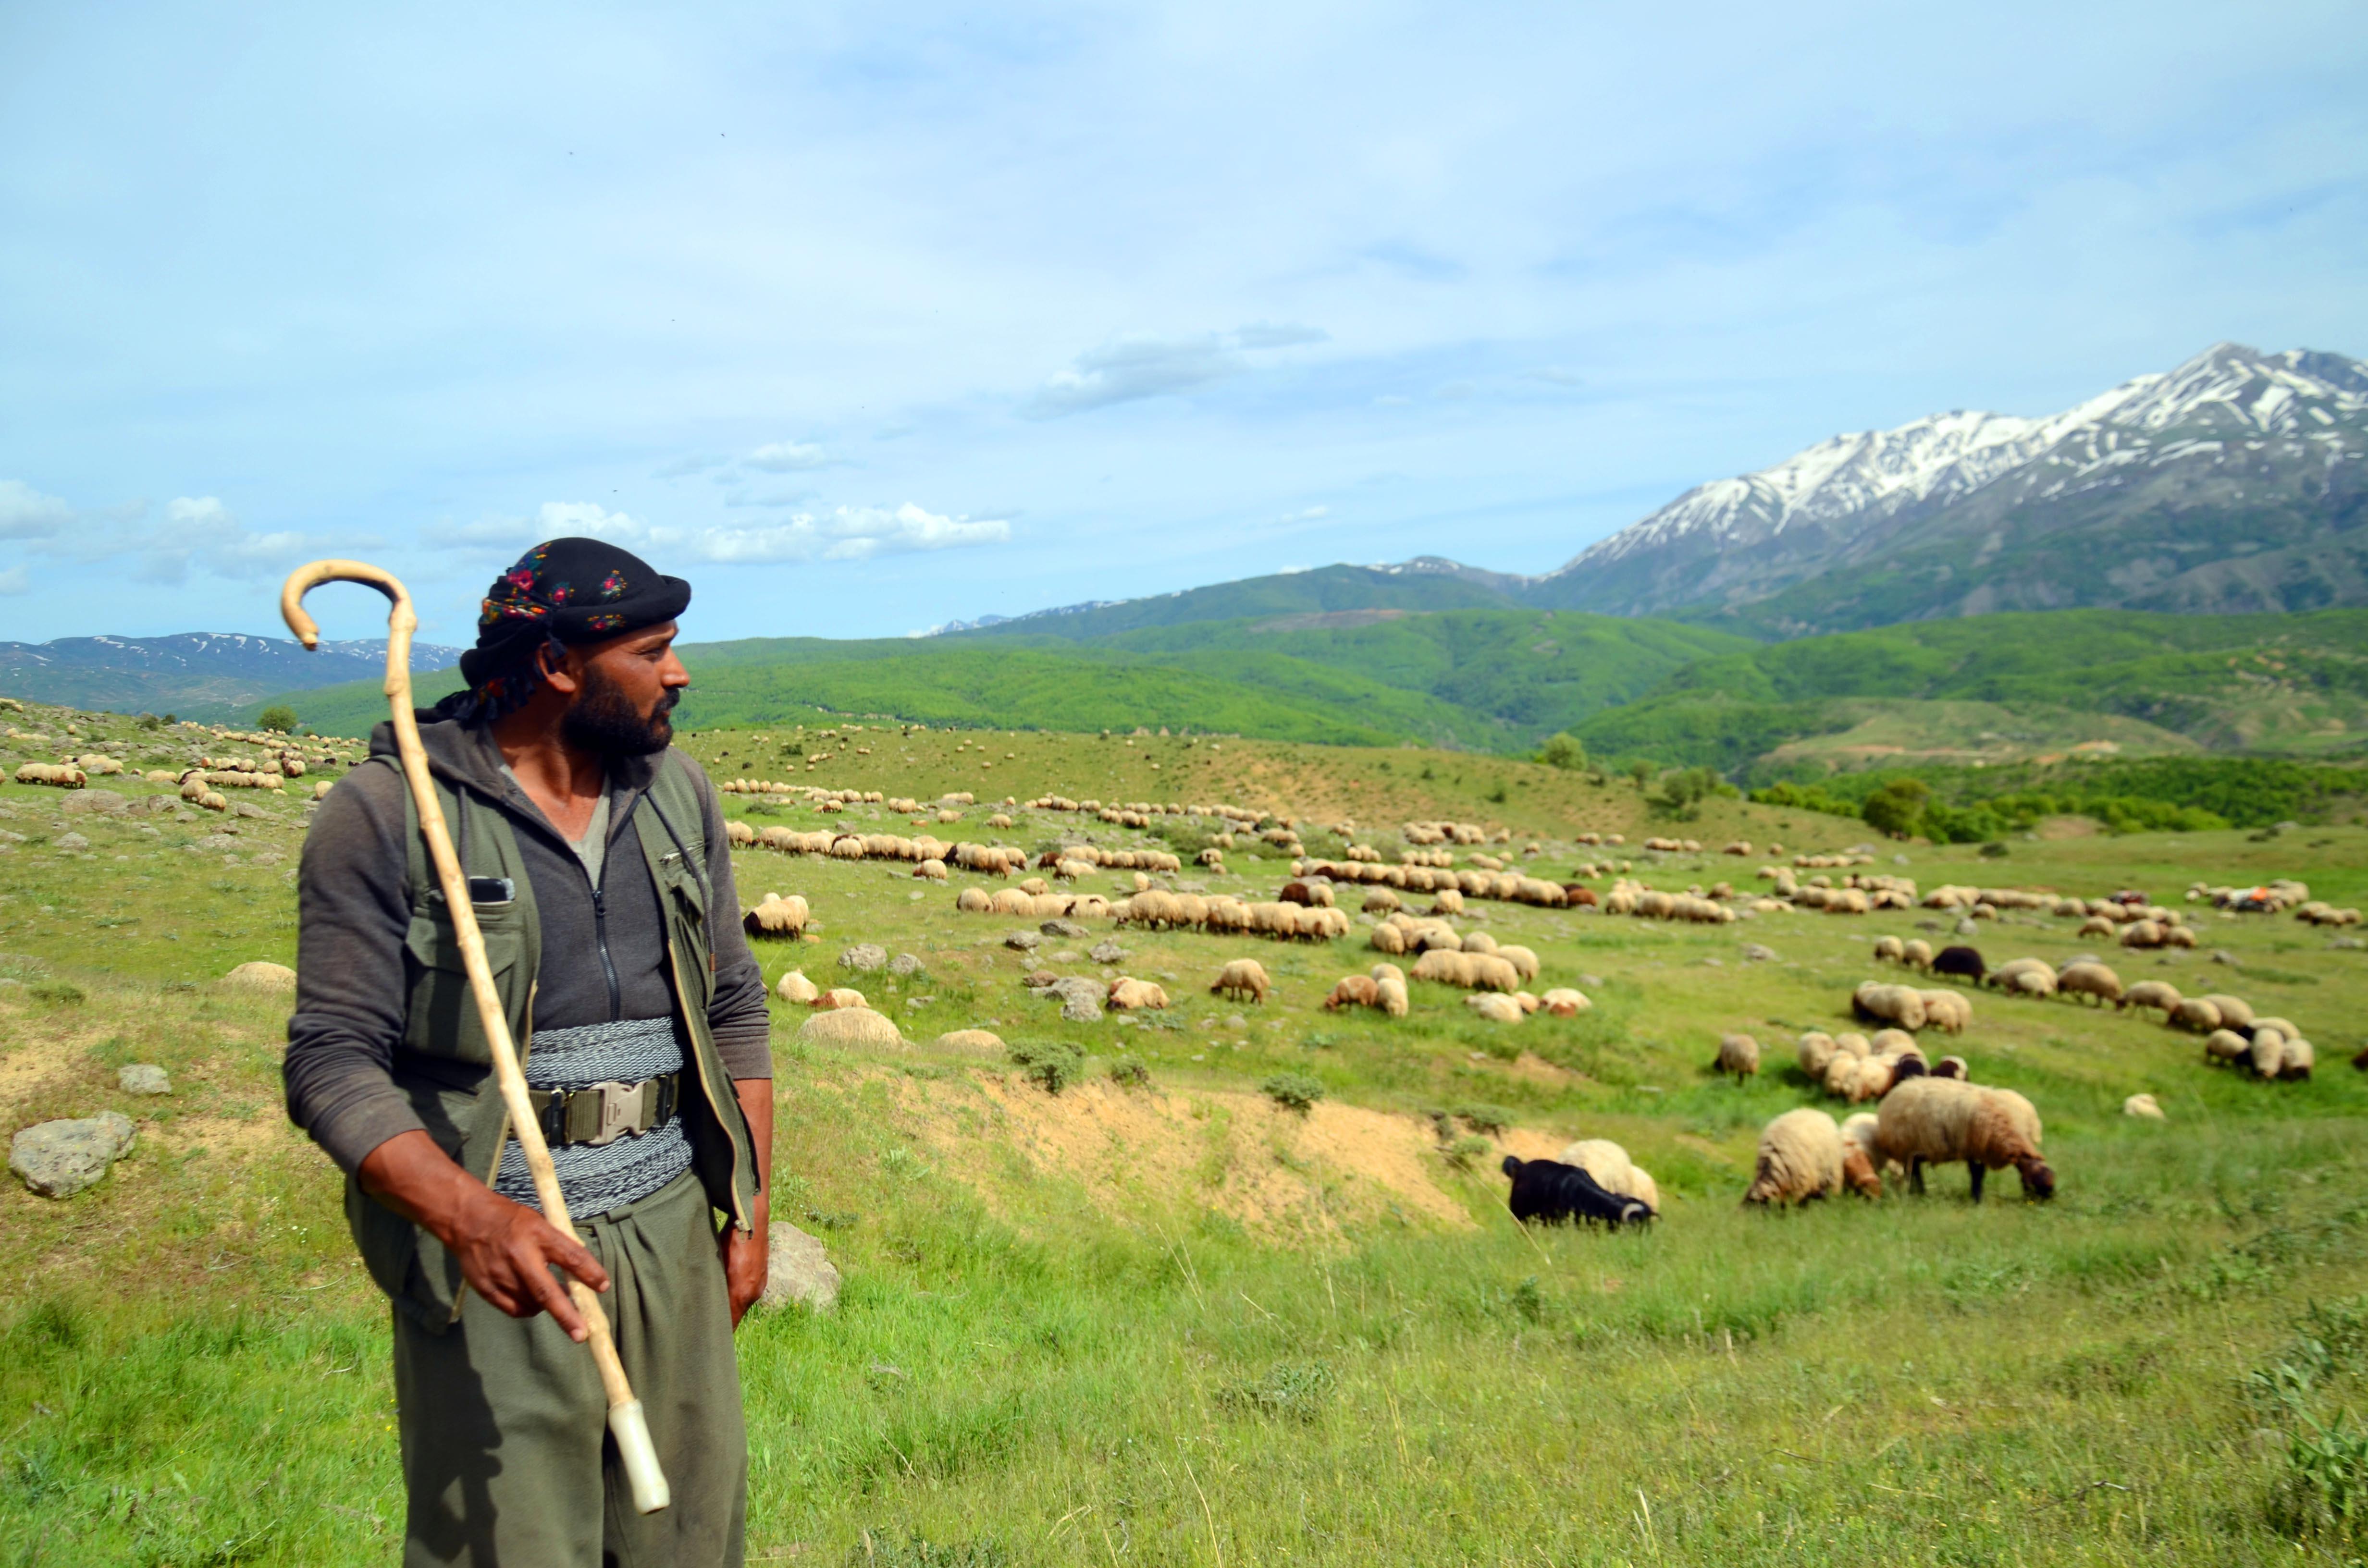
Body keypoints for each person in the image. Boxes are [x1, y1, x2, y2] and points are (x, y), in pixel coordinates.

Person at [285, 537, 773, 1567]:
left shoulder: (678, 795)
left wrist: (751, 1213)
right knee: (510, 1548)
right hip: (499, 1260)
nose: (678, 673)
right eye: (653, 651)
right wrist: (472, 1218)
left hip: (671, 1228)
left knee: (687, 1540)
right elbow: (330, 1060)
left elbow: (734, 1005)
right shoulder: (385, 813)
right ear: (558, 666)